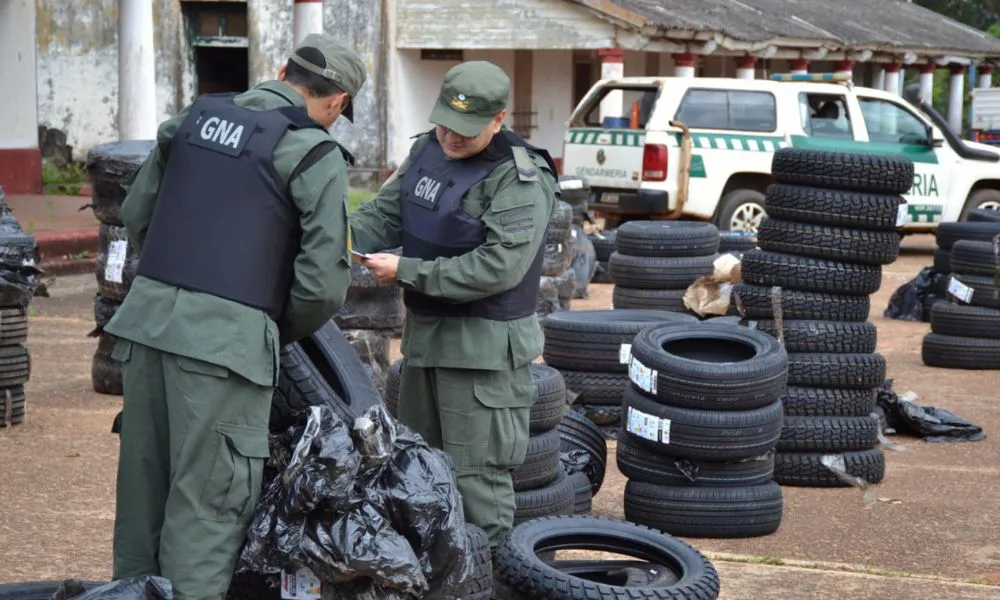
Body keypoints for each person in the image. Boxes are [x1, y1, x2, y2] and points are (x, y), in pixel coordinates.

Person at [103, 34, 367, 599]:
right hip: (226, 347)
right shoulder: (312, 151)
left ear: (282, 72)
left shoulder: (194, 120)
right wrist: (261, 330)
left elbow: (136, 212)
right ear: (338, 101)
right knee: (207, 505)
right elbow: (322, 287)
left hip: (146, 325)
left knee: (143, 493)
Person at [349, 60, 560, 548]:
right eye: (445, 122)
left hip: (483, 352)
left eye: (465, 129)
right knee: (416, 470)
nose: (450, 136)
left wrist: (407, 270)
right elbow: (386, 214)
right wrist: (329, 237)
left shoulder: (519, 178)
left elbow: (498, 268)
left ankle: (484, 577)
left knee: (475, 484)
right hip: (425, 341)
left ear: (498, 120)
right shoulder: (428, 149)